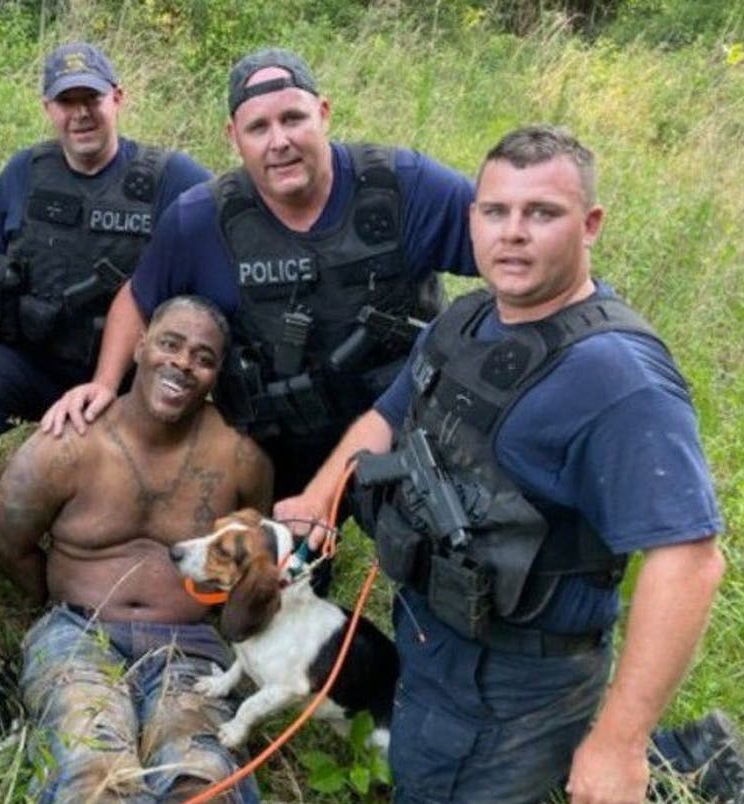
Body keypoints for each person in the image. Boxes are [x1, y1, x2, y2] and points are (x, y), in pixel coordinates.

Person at [276, 125, 744, 804]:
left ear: (590, 224)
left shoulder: (616, 378)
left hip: (515, 666)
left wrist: (622, 740)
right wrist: (318, 494)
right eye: (495, 211)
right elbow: (387, 416)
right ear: (471, 220)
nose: (513, 234)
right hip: (438, 632)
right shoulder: (466, 321)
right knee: (417, 760)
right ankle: (691, 760)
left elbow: (690, 563)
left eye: (542, 213)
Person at [42, 46, 477, 501]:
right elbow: (138, 298)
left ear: (323, 113)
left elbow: (515, 256)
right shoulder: (199, 219)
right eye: (258, 127)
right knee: (260, 567)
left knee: (443, 542)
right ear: (233, 137)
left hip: (402, 425)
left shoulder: (405, 186)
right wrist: (105, 383)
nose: (279, 141)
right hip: (282, 442)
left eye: (293, 119)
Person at [0, 296, 272, 804]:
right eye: (169, 344)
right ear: (139, 345)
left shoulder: (240, 457)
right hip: (77, 630)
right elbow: (9, 541)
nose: (182, 365)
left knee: (201, 765)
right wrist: (62, 606)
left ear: (218, 373)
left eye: (203, 358)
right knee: (90, 749)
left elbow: (251, 557)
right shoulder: (68, 442)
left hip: (189, 645)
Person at [0, 41, 212, 440]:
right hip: (34, 359)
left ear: (117, 99)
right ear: (48, 107)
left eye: (92, 98)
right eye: (67, 101)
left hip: (129, 377)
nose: (81, 113)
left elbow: (231, 213)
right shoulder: (23, 172)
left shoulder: (171, 177)